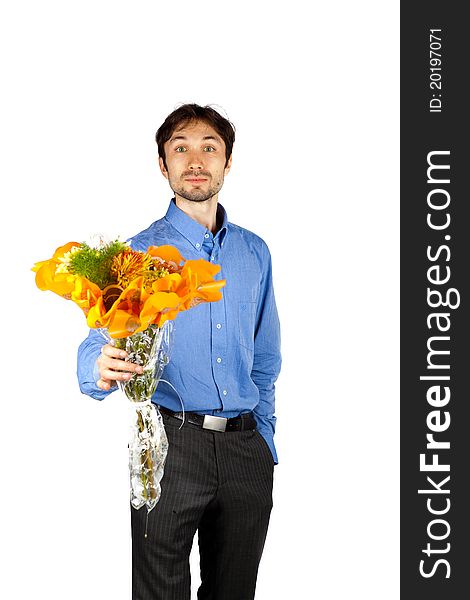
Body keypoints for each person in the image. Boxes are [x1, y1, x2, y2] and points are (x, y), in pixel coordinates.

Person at [77, 103, 281, 600]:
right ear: (162, 164)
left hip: (245, 451)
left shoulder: (254, 252)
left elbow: (265, 358)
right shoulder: (136, 254)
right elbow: (97, 343)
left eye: (209, 148)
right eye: (180, 148)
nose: (196, 160)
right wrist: (97, 369)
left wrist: (266, 442)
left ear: (227, 162)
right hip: (170, 446)